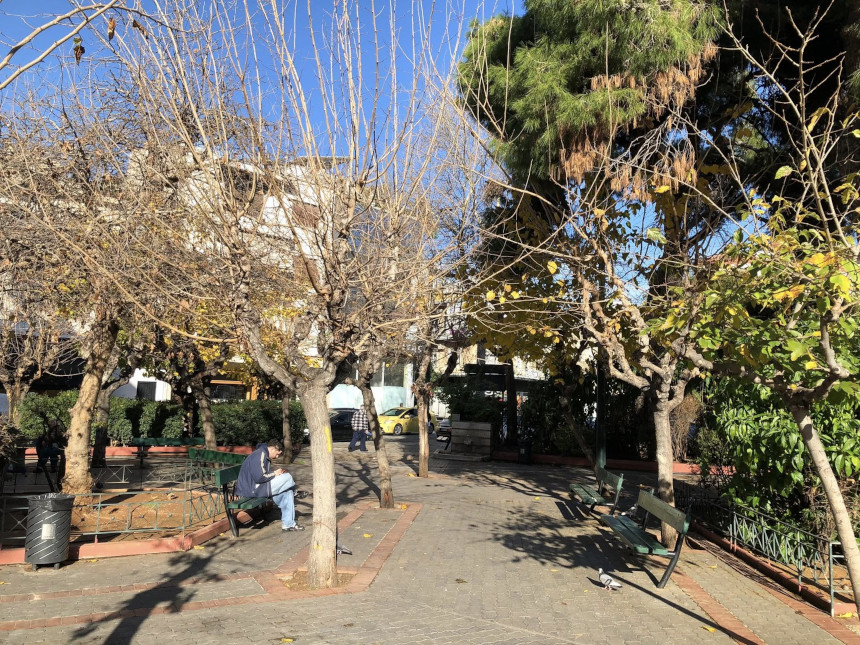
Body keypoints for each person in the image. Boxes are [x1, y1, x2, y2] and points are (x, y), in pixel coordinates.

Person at [235, 439, 304, 531]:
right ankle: (295, 491)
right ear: (273, 449)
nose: (277, 456)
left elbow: (264, 476)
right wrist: (275, 473)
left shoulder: (263, 455)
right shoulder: (259, 455)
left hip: (258, 487)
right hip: (253, 490)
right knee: (287, 477)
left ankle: (288, 525)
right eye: (277, 453)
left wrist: (276, 474)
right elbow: (260, 478)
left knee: (287, 492)